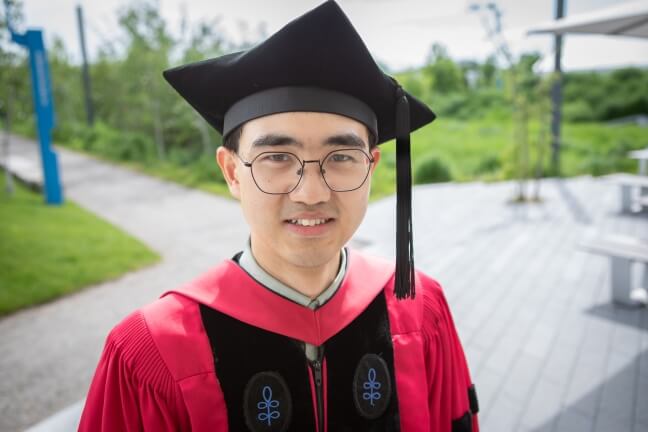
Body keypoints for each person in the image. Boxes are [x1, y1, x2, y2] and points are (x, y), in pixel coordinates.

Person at [78, 2, 479, 431]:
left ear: (372, 167)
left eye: (341, 156)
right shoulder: (149, 352)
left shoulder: (422, 309)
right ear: (232, 172)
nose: (311, 193)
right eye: (276, 157)